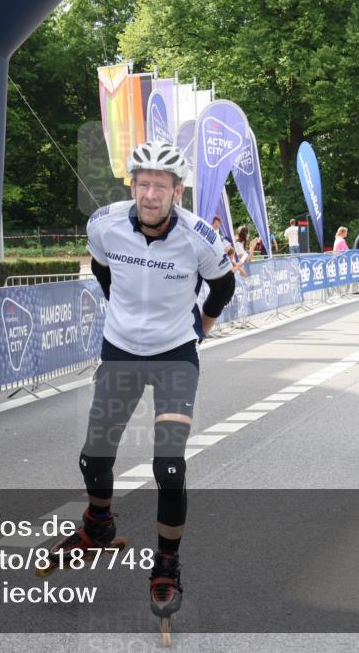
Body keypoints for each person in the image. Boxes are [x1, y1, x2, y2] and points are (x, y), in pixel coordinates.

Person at [54, 140, 235, 622]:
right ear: (131, 185)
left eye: (162, 185)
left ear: (178, 190)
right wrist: (123, 313)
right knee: (93, 457)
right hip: (121, 351)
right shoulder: (105, 224)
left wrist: (203, 328)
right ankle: (98, 523)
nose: (151, 193)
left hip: (175, 354)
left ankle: (166, 564)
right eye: (143, 183)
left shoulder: (199, 236)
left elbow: (224, 284)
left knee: (170, 467)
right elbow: (101, 266)